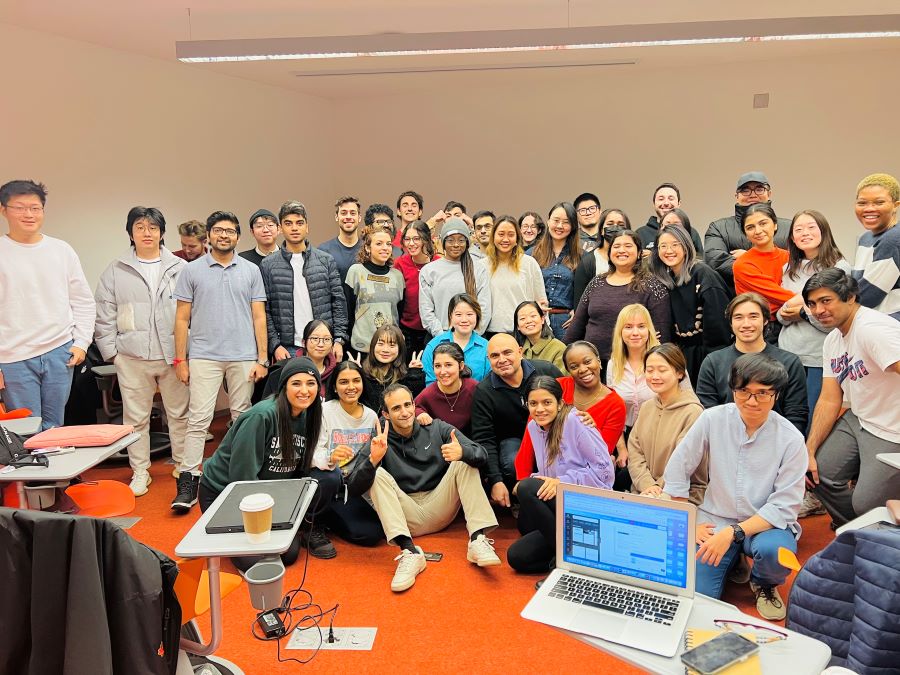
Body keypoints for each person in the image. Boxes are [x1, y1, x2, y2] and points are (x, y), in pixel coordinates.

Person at [664, 353, 806, 620]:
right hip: (715, 518)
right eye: (744, 391)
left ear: (776, 394)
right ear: (733, 390)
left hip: (764, 525)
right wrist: (688, 522)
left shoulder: (791, 439)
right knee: (696, 598)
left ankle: (763, 583)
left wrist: (733, 533)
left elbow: (785, 506)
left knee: (776, 553)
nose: (751, 401)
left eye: (762, 393)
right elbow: (677, 469)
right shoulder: (712, 419)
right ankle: (733, 561)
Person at [343, 383, 501, 592]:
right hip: (405, 516)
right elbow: (353, 487)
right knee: (376, 473)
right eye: (396, 408)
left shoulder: (437, 427)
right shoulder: (379, 438)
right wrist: (373, 460)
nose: (405, 412)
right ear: (386, 415)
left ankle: (477, 539)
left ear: (414, 405)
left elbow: (481, 453)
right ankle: (410, 552)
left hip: (440, 505)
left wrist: (463, 452)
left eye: (407, 405)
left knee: (464, 461)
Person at [199, 357, 342, 564]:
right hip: (225, 494)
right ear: (284, 387)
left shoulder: (309, 417)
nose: (304, 390)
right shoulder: (262, 416)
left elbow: (302, 467)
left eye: (311, 383)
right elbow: (242, 478)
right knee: (257, 562)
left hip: (269, 494)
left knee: (289, 554)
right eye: (296, 383)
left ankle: (303, 528)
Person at [172, 210, 269, 512]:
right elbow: (181, 318)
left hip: (244, 355)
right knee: (198, 419)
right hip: (204, 355)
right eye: (218, 230)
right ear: (209, 235)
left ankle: (239, 478)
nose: (224, 235)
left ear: (237, 236)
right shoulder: (192, 271)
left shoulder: (251, 270)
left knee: (242, 418)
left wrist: (262, 357)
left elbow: (258, 316)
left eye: (229, 231)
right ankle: (189, 480)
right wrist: (180, 359)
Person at [94, 206, 188, 496]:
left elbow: (193, 312)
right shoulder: (116, 269)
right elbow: (104, 313)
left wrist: (188, 352)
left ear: (162, 232)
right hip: (132, 357)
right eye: (140, 227)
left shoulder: (180, 268)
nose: (147, 233)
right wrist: (113, 354)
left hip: (174, 355)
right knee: (135, 419)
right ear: (130, 233)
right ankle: (140, 471)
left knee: (180, 413)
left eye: (153, 228)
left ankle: (184, 465)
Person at [804, 269, 900, 526]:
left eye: (826, 300)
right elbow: (829, 398)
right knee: (816, 474)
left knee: (865, 503)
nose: (818, 310)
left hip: (892, 429)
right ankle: (860, 531)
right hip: (859, 418)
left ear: (850, 297)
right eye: (812, 304)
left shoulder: (873, 329)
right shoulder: (832, 340)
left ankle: (875, 532)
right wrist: (809, 450)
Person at [0, 179, 95, 430]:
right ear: (3, 210)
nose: (29, 214)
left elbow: (83, 301)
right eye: (20, 208)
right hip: (13, 358)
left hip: (59, 351)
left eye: (35, 208)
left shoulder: (61, 250)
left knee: (55, 428)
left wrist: (81, 343)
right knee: (26, 430)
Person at [507, 376, 615, 573]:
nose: (540, 409)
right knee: (517, 557)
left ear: (559, 403)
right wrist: (545, 480)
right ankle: (580, 556)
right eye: (533, 403)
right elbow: (548, 473)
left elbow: (605, 473)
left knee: (527, 488)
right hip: (564, 505)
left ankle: (569, 560)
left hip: (588, 504)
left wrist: (561, 482)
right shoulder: (533, 427)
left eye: (547, 402)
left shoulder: (576, 421)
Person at [515, 341, 626, 485]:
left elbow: (601, 455)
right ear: (568, 370)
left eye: (587, 361)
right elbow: (532, 433)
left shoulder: (616, 404)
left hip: (584, 480)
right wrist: (522, 478)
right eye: (574, 366)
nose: (583, 369)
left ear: (599, 361)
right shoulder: (558, 387)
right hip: (549, 470)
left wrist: (590, 428)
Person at [470, 333, 562, 507]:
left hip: (555, 435)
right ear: (488, 359)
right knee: (512, 460)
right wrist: (496, 481)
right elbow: (484, 438)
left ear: (520, 352)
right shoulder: (484, 391)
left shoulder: (546, 371)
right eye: (495, 356)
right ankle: (523, 501)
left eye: (507, 352)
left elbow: (569, 403)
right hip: (514, 443)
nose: (502, 360)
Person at [696, 292, 808, 434]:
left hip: (775, 440)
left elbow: (796, 415)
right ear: (731, 323)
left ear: (765, 320)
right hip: (725, 439)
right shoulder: (713, 362)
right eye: (738, 317)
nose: (746, 324)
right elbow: (709, 413)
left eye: (753, 316)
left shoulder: (790, 362)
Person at [776, 210, 850, 419]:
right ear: (792, 237)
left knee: (812, 416)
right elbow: (780, 315)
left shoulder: (839, 267)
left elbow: (834, 320)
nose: (805, 233)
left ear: (823, 231)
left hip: (820, 356)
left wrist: (802, 312)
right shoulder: (787, 269)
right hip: (788, 353)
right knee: (787, 415)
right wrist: (796, 308)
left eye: (811, 227)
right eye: (798, 229)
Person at [260, 200, 348, 363]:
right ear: (280, 228)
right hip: (287, 349)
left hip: (323, 345)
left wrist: (338, 339)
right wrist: (275, 345)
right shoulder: (268, 265)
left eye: (299, 223)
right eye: (288, 223)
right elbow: (265, 310)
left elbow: (338, 302)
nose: (294, 228)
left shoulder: (325, 260)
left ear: (307, 227)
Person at [566, 230, 671, 361]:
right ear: (610, 253)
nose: (621, 250)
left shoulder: (653, 285)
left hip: (633, 365)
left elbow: (663, 334)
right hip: (592, 364)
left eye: (628, 246)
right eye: (616, 246)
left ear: (639, 253)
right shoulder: (596, 282)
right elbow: (577, 325)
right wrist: (564, 354)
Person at [649, 223, 731, 383]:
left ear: (686, 247)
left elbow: (718, 328)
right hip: (681, 356)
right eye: (663, 246)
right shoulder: (667, 280)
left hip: (708, 355)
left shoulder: (703, 274)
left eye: (675, 244)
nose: (669, 250)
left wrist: (713, 363)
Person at [315, 360, 383, 546]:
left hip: (354, 487)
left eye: (356, 381)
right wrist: (330, 457)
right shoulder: (325, 411)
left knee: (373, 533)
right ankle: (317, 521)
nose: (351, 387)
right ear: (334, 387)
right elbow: (313, 452)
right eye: (344, 382)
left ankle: (332, 517)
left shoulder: (371, 416)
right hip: (327, 482)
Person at [627, 344, 705, 503]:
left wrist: (657, 488)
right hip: (643, 491)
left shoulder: (693, 412)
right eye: (649, 370)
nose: (655, 376)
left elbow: (683, 462)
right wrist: (647, 485)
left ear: (679, 373)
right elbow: (635, 450)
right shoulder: (647, 407)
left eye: (662, 370)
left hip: (681, 495)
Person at [704, 172, 790, 289]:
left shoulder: (790, 227)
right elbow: (715, 260)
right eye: (745, 190)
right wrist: (760, 263)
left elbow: (799, 263)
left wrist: (749, 257)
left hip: (784, 294)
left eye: (759, 189)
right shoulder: (718, 227)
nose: (753, 195)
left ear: (769, 193)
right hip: (734, 296)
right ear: (737, 196)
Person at [418, 218, 491, 337]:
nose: (456, 244)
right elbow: (426, 311)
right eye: (450, 240)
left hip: (472, 337)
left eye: (461, 240)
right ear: (443, 242)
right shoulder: (429, 270)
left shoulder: (479, 269)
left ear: (467, 242)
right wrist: (443, 336)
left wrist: (470, 336)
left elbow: (484, 308)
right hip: (439, 337)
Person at [344, 226, 405, 356]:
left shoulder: (397, 277)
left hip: (390, 348)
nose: (385, 248)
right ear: (367, 248)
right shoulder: (356, 272)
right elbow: (347, 312)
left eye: (388, 244)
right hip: (362, 347)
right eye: (379, 243)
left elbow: (399, 314)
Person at [484, 215, 547, 335]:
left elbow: (540, 300)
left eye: (511, 235)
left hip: (524, 332)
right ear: (493, 237)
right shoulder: (481, 266)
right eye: (501, 234)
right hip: (490, 333)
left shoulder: (529, 263)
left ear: (517, 237)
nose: (505, 239)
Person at [529, 202, 582, 340]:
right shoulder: (531, 255)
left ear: (573, 226)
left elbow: (588, 290)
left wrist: (579, 312)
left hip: (566, 323)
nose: (559, 226)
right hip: (536, 320)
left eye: (566, 222)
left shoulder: (581, 257)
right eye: (556, 220)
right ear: (548, 221)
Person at [733, 203, 793, 324]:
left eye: (763, 223)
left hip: (795, 320)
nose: (758, 231)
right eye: (750, 227)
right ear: (745, 234)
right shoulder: (743, 264)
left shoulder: (790, 257)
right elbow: (780, 296)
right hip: (763, 326)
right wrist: (811, 300)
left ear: (775, 225)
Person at [852, 172, 900, 320]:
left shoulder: (893, 239)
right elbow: (857, 283)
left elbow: (869, 295)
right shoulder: (865, 238)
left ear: (896, 205)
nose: (869, 209)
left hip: (889, 323)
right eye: (862, 203)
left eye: (879, 202)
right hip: (868, 320)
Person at [421, 294, 490, 385]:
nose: (464, 320)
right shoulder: (434, 345)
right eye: (458, 315)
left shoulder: (487, 347)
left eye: (469, 314)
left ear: (477, 316)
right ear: (450, 316)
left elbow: (489, 383)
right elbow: (430, 382)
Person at [415, 342, 479, 436]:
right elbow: (412, 407)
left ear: (461, 366)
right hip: (442, 442)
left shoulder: (475, 388)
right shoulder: (428, 394)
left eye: (448, 365)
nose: (442, 372)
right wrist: (419, 414)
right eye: (437, 366)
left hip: (473, 441)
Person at [358, 325, 425, 412]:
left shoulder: (405, 376)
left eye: (392, 345)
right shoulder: (362, 374)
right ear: (373, 346)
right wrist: (354, 373)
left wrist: (415, 374)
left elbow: (415, 404)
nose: (385, 350)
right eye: (381, 344)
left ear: (400, 349)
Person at [394, 220, 438, 354]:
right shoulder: (400, 264)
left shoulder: (438, 263)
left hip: (433, 330)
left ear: (426, 239)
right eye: (407, 239)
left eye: (416, 239)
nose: (411, 243)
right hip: (407, 331)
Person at [572, 208, 631, 303]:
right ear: (601, 230)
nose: (615, 228)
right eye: (610, 224)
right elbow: (580, 303)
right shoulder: (588, 262)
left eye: (621, 225)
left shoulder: (635, 260)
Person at [318, 196, 363, 285]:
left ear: (359, 218)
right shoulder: (323, 251)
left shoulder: (368, 249)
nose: (348, 217)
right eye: (343, 213)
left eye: (352, 213)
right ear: (336, 217)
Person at [513, 301, 566, 372]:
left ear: (542, 319)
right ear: (518, 326)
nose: (528, 321)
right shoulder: (518, 351)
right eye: (522, 318)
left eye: (533, 316)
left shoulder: (559, 348)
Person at [293, 319, 338, 399]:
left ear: (332, 344)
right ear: (304, 342)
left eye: (327, 339)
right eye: (315, 338)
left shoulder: (337, 373)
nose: (321, 344)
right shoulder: (291, 370)